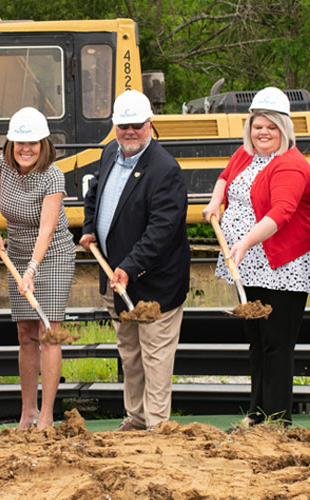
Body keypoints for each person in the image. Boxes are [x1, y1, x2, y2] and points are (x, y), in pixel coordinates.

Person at [201, 86, 310, 429]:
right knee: (256, 338)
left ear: (284, 128)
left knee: (277, 341)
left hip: (284, 263)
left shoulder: (291, 165)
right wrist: (215, 202)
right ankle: (257, 413)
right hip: (251, 263)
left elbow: (281, 212)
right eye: (258, 125)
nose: (263, 132)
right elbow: (225, 178)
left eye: (271, 126)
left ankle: (277, 418)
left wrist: (244, 243)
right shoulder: (247, 153)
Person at [79, 90, 190, 431]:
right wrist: (88, 228)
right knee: (130, 353)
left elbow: (162, 230)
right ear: (114, 126)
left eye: (137, 126)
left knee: (155, 356)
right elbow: (95, 192)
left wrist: (128, 266)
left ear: (150, 125)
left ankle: (157, 427)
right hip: (116, 281)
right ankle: (136, 418)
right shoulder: (111, 151)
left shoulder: (165, 170)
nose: (130, 132)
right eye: (123, 125)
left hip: (155, 282)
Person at [0, 107, 74, 431]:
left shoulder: (53, 176)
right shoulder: (1, 167)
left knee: (48, 332)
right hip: (16, 254)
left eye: (32, 142)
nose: (26, 148)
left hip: (51, 257)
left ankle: (47, 416)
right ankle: (27, 412)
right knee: (25, 334)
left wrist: (33, 270)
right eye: (20, 141)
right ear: (10, 143)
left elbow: (47, 229)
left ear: (43, 143)